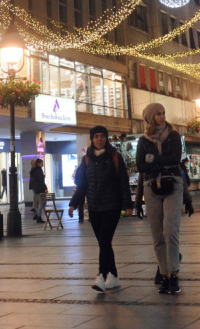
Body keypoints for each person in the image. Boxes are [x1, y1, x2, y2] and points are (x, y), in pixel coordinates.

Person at [68, 125, 134, 292]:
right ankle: (115, 276)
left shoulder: (115, 156)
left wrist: (128, 204)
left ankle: (101, 276)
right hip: (95, 207)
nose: (99, 139)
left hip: (112, 205)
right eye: (96, 136)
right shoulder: (87, 159)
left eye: (102, 136)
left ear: (106, 138)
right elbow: (81, 184)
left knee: (104, 240)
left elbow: (123, 182)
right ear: (92, 139)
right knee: (104, 243)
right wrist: (74, 203)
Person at [137, 102, 186, 294]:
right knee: (157, 235)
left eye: (163, 113)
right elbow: (141, 165)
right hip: (151, 187)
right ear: (150, 117)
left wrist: (153, 160)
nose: (162, 116)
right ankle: (164, 275)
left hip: (173, 184)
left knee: (170, 231)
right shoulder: (143, 140)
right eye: (158, 114)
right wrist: (156, 163)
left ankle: (174, 274)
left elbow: (175, 159)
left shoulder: (173, 136)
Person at [29, 159, 48, 223]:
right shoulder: (39, 170)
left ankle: (38, 215)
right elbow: (41, 181)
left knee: (42, 202)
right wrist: (45, 188)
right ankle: (38, 216)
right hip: (40, 188)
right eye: (42, 163)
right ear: (38, 164)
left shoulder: (36, 170)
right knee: (42, 202)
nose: (43, 164)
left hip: (38, 188)